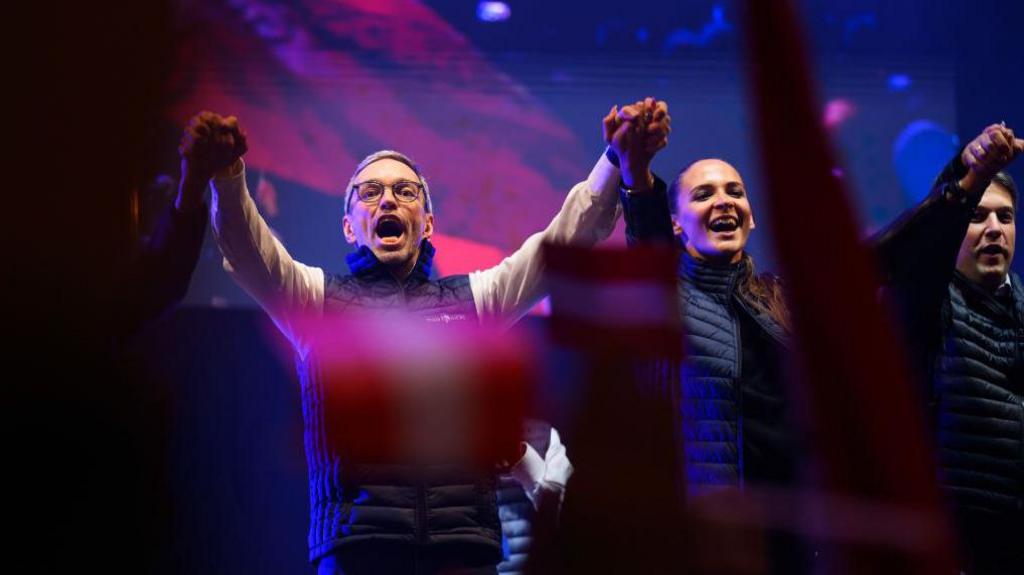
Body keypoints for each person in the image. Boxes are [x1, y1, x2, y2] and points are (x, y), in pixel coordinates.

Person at [181, 106, 669, 573]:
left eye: (405, 191)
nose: (388, 200)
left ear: (429, 223)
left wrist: (612, 162)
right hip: (359, 551)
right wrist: (227, 176)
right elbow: (248, 250)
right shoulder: (316, 301)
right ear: (350, 227)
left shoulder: (476, 300)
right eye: (370, 192)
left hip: (463, 549)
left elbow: (562, 240)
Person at [873, 123, 1024, 575]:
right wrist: (969, 175)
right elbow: (922, 240)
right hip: (945, 543)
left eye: (1006, 217)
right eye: (979, 216)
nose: (995, 229)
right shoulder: (925, 298)